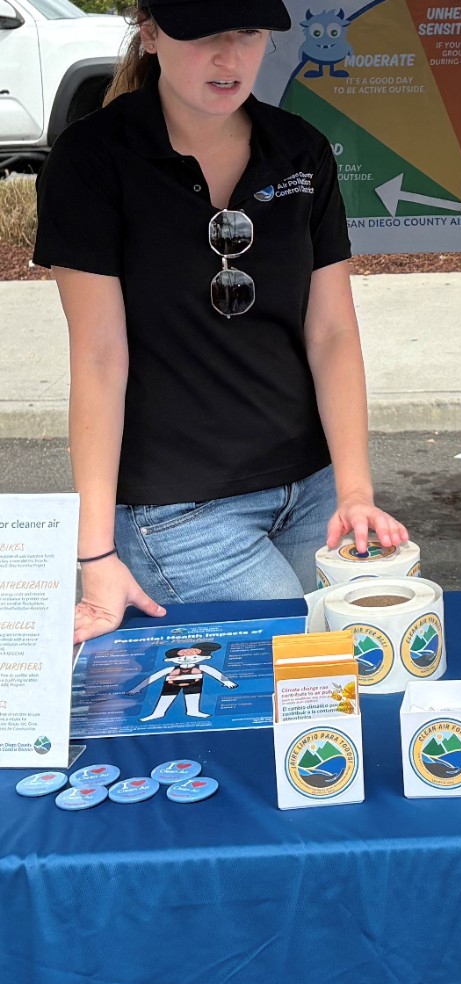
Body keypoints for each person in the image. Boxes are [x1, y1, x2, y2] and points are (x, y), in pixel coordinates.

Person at [33, 0, 406, 645]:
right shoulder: (93, 159)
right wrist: (95, 556)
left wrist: (355, 490)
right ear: (150, 33)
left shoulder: (299, 150)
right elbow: (98, 358)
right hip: (177, 511)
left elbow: (332, 334)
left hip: (313, 490)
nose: (228, 56)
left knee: (374, 656)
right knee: (307, 661)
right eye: (202, 34)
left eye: (249, 33)